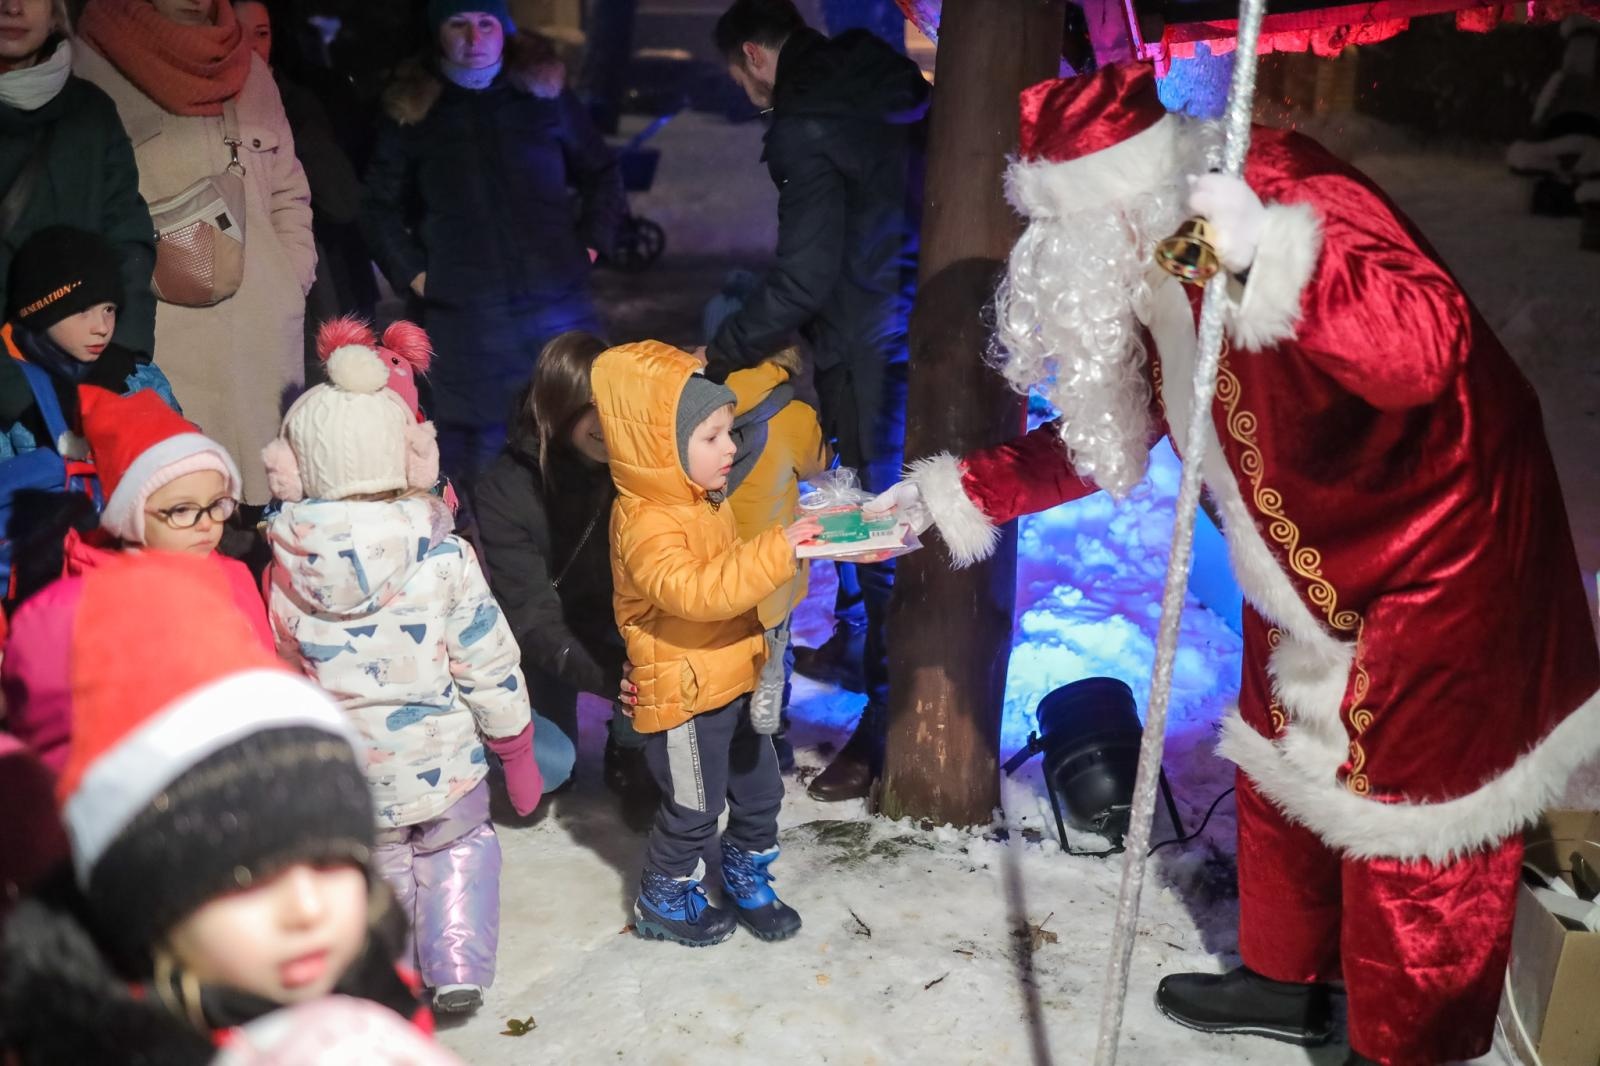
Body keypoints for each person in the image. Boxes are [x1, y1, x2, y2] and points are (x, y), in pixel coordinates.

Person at [868, 63, 1600, 1066]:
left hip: (1439, 543)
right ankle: (1286, 978)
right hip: (1298, 554)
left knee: (1414, 817)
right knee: (1276, 751)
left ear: (1122, 192)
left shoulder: (1270, 191)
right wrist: (957, 493)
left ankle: (1405, 1046)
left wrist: (1268, 257)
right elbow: (1114, 429)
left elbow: (1424, 349)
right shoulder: (1155, 248)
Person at [0, 552, 433, 1065]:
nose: (307, 910)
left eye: (330, 861)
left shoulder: (373, 986)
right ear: (149, 906)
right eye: (248, 879)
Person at [262, 336, 565, 1016]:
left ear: (295, 468)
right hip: (447, 768)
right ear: (409, 455)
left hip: (355, 782)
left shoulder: (285, 570)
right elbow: (486, 661)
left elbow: (288, 675)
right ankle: (455, 968)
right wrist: (515, 747)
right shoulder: (444, 557)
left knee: (382, 868)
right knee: (460, 850)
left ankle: (394, 972)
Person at [708, 0, 928, 801]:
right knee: (865, 507)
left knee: (878, 527)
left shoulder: (804, 121)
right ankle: (862, 650)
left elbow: (803, 274)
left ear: (753, 56)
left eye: (738, 75)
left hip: (865, 341)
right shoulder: (881, 80)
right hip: (914, 316)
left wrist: (724, 350)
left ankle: (887, 725)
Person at [591, 340, 822, 947]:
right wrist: (778, 548)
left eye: (729, 433)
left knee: (760, 792)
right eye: (712, 436)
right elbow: (694, 591)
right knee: (694, 807)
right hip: (687, 695)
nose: (731, 448)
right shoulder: (645, 520)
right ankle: (663, 897)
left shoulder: (699, 501)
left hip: (732, 674)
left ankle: (746, 874)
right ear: (661, 448)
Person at [361, 1, 625, 494]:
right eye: (458, 23)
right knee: (487, 462)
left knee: (582, 439)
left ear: (504, 31)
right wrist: (416, 274)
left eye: (486, 23)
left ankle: (582, 541)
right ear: (437, 33)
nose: (474, 37)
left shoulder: (543, 95)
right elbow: (377, 206)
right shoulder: (414, 111)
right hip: (467, 319)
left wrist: (588, 246)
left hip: (557, 304)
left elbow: (602, 173)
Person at [74, 0, 316, 509]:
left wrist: (290, 279)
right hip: (168, 348)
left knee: (280, 523)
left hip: (267, 348)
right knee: (184, 517)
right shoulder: (91, 65)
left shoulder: (248, 69)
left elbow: (288, 190)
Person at [1, 386, 272, 785]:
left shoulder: (233, 574)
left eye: (217, 504)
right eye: (181, 510)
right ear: (131, 516)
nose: (206, 523)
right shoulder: (93, 595)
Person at [475, 331, 656, 821]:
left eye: (613, 404)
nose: (607, 422)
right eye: (590, 408)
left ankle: (630, 749)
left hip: (620, 623)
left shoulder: (637, 466)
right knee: (550, 767)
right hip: (547, 638)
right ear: (558, 406)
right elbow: (531, 616)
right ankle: (491, 731)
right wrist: (610, 677)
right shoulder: (505, 490)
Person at [1, 226, 177, 608]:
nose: (102, 327)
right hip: (42, 597)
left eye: (109, 309)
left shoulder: (134, 376)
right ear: (41, 308)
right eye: (83, 310)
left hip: (140, 582)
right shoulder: (12, 393)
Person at [0, 0, 155, 359]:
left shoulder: (93, 114)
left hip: (68, 371)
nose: (12, 7)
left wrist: (119, 356)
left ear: (57, 12)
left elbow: (127, 242)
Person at [234, 0, 378, 380]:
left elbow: (343, 199)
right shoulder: (206, 111)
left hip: (325, 293)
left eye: (261, 33)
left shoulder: (302, 100)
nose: (251, 46)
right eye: (237, 33)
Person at [723, 343, 831, 770]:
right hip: (772, 576)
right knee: (773, 656)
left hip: (712, 572)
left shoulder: (696, 406)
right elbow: (818, 464)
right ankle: (768, 743)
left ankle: (720, 738)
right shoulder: (795, 415)